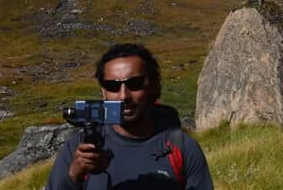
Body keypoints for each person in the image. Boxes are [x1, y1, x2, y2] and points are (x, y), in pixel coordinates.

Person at [46, 43, 214, 189]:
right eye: (112, 86)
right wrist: (74, 176)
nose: (123, 96)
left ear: (154, 86)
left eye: (135, 84)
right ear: (103, 92)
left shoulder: (183, 149)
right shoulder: (77, 149)